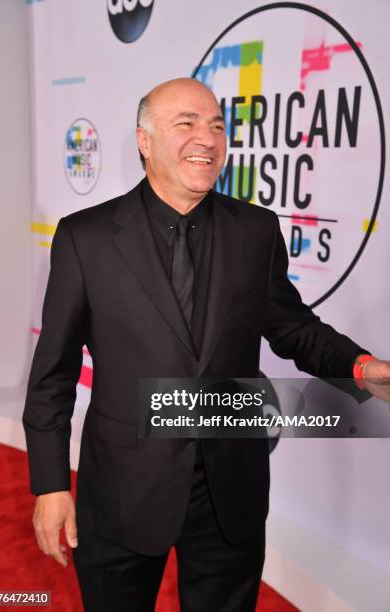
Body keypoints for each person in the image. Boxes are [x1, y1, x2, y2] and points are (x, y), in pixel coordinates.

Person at [23, 77, 390, 612]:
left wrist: (359, 367)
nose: (208, 137)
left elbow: (293, 329)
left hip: (230, 487)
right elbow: (53, 371)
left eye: (217, 125)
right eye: (187, 123)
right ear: (144, 141)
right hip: (125, 489)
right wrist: (50, 485)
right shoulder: (87, 238)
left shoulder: (257, 230)